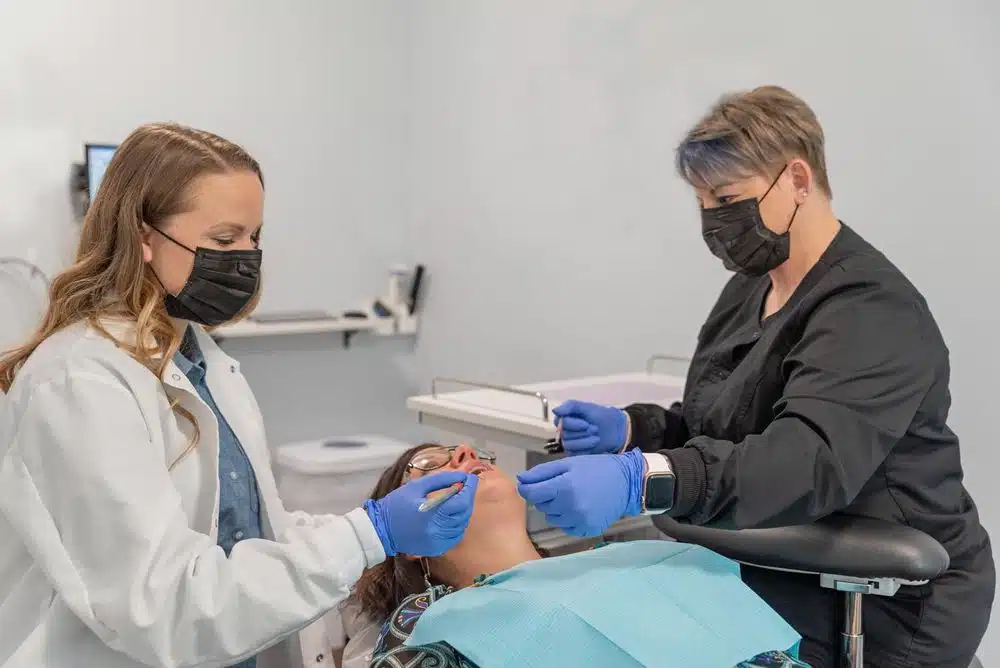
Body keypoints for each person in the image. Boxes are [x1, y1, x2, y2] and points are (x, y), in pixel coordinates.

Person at [516, 86, 995, 668]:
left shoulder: (870, 309)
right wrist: (635, 431)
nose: (714, 220)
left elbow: (805, 461)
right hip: (769, 557)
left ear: (797, 179)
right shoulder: (753, 287)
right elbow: (729, 420)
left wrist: (644, 479)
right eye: (702, 202)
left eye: (727, 196)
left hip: (875, 596)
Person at [0, 123, 478, 668]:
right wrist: (369, 534)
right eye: (225, 240)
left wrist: (368, 528)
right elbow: (163, 606)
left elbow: (247, 532)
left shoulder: (200, 359)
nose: (247, 259)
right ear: (144, 238)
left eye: (255, 237)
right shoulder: (80, 382)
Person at [346, 442, 811, 668]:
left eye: (467, 449)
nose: (464, 451)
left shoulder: (634, 561)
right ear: (407, 542)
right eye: (428, 466)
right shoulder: (428, 619)